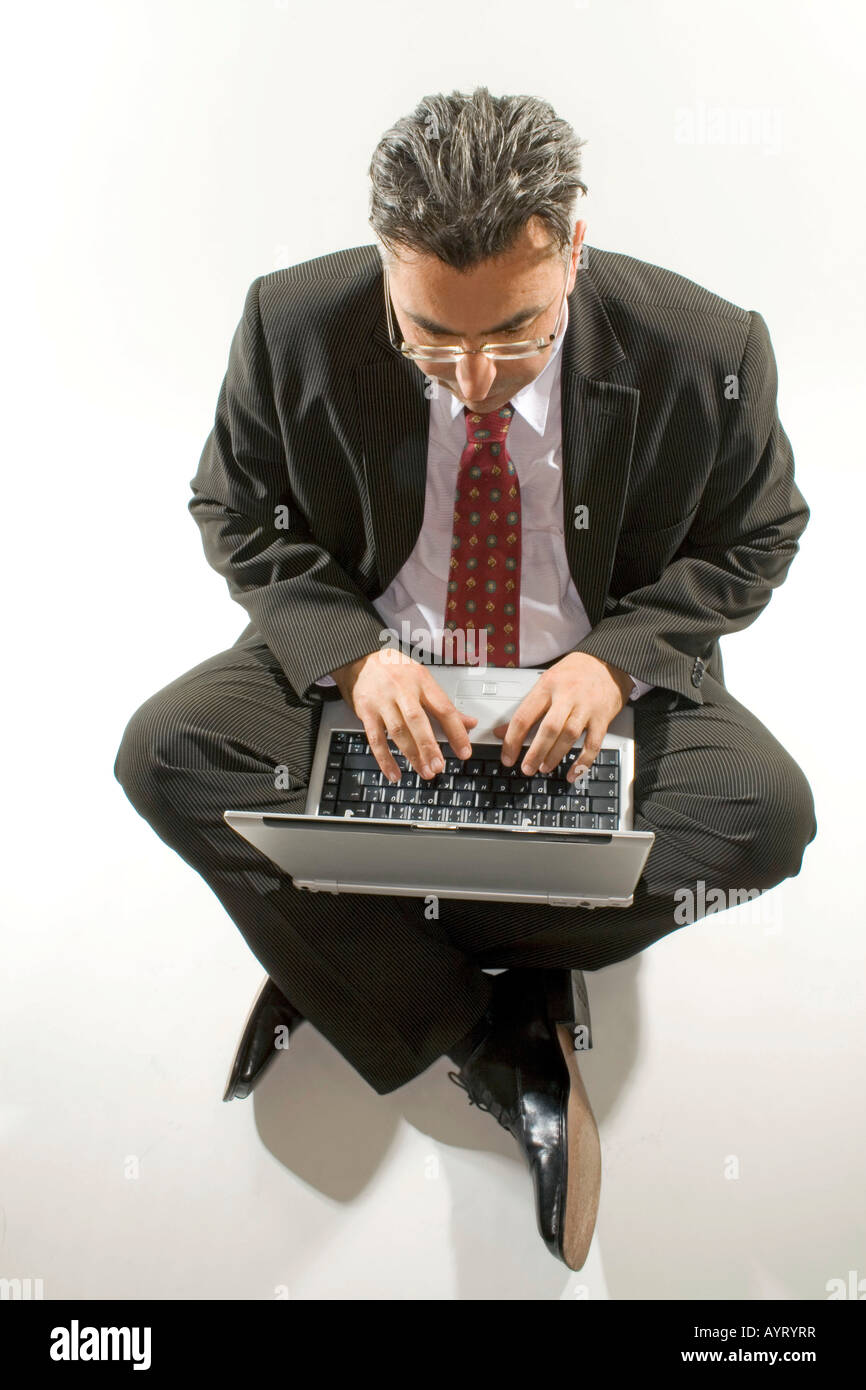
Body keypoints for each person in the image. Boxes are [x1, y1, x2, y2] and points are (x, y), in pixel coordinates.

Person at [113, 87, 817, 1271]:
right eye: (431, 338)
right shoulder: (294, 321)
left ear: (572, 250)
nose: (476, 378)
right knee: (166, 751)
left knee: (762, 819)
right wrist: (348, 651)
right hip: (375, 656)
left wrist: (615, 659)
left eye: (518, 335)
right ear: (386, 264)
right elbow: (232, 507)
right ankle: (489, 1029)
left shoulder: (706, 346)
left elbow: (758, 536)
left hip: (582, 676)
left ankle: (335, 940)